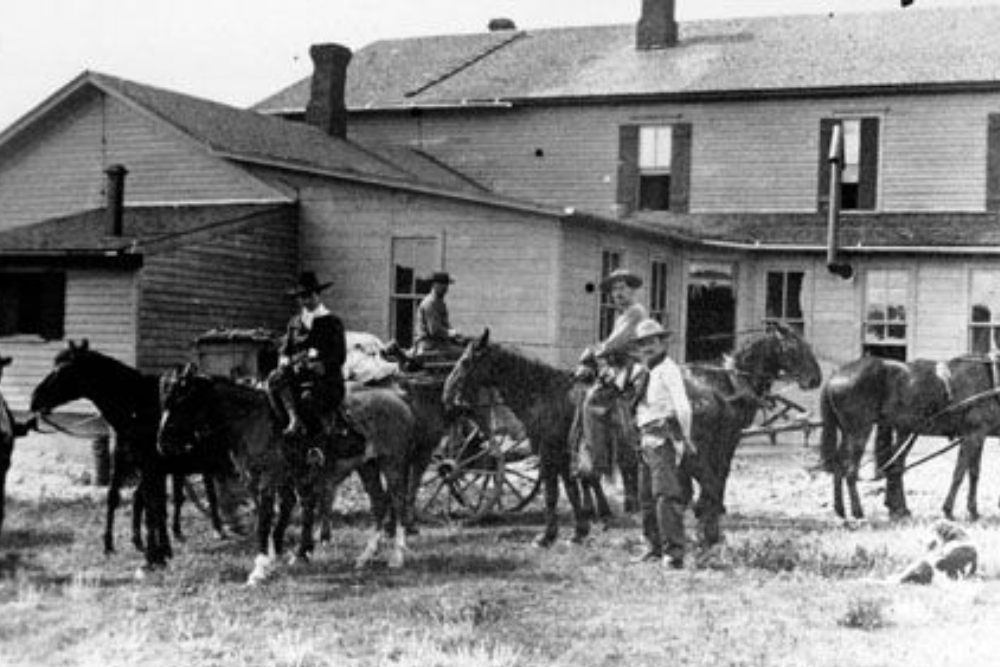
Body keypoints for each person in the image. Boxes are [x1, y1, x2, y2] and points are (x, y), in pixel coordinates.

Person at [629, 318, 694, 569]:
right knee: (645, 497)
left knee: (666, 495)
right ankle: (653, 547)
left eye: (652, 342)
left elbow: (683, 407)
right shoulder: (646, 371)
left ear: (662, 342)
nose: (647, 347)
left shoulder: (669, 370)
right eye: (642, 343)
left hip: (663, 439)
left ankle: (674, 553)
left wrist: (685, 438)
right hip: (645, 439)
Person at [266, 272, 347, 439]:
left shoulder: (332, 322)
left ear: (317, 295)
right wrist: (284, 361)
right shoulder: (294, 323)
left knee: (308, 399)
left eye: (309, 296)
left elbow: (339, 355)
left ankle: (318, 448)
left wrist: (322, 365)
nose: (305, 301)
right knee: (274, 380)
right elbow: (285, 350)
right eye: (301, 297)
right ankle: (293, 420)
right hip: (298, 377)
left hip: (325, 382)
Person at [414, 271, 466, 358]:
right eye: (442, 284)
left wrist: (457, 336)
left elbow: (445, 324)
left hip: (440, 343)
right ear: (435, 285)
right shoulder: (429, 303)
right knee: (463, 355)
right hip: (428, 345)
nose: (446, 288)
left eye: (446, 285)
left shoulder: (440, 303)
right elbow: (434, 330)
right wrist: (452, 333)